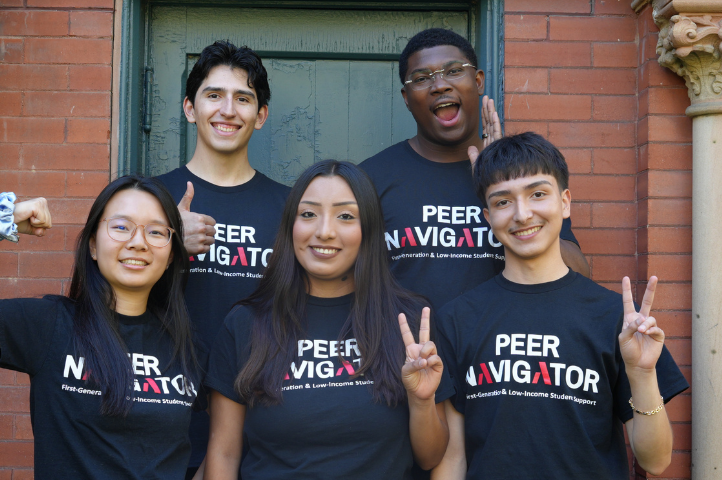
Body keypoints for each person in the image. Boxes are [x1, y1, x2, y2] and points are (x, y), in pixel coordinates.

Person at [0, 176, 203, 478]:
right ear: (93, 246)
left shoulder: (185, 345)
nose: (138, 242)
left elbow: (229, 443)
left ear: (171, 254)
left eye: (156, 232)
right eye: (121, 227)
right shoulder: (51, 325)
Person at [431, 133, 689, 479]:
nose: (522, 214)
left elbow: (655, 461)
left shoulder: (614, 318)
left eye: (538, 194)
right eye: (503, 201)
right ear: (488, 216)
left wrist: (641, 375)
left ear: (565, 203)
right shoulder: (457, 319)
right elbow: (454, 459)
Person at [203, 160, 452, 479]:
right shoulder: (246, 323)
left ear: (368, 229)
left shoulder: (409, 323)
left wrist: (422, 400)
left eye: (346, 216)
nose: (324, 231)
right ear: (290, 225)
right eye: (308, 214)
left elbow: (431, 458)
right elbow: (223, 454)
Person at [360, 28, 590, 312]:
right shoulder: (370, 178)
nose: (440, 85)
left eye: (454, 71)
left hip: (502, 353)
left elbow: (579, 274)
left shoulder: (523, 172)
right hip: (407, 354)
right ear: (407, 98)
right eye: (422, 79)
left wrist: (499, 182)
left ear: (478, 81)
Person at [152, 40, 290, 477]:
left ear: (260, 116)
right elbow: (98, 293)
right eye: (214, 95)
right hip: (162, 406)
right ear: (191, 108)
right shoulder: (145, 199)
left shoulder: (292, 209)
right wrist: (165, 239)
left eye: (243, 98)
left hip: (265, 412)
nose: (227, 110)